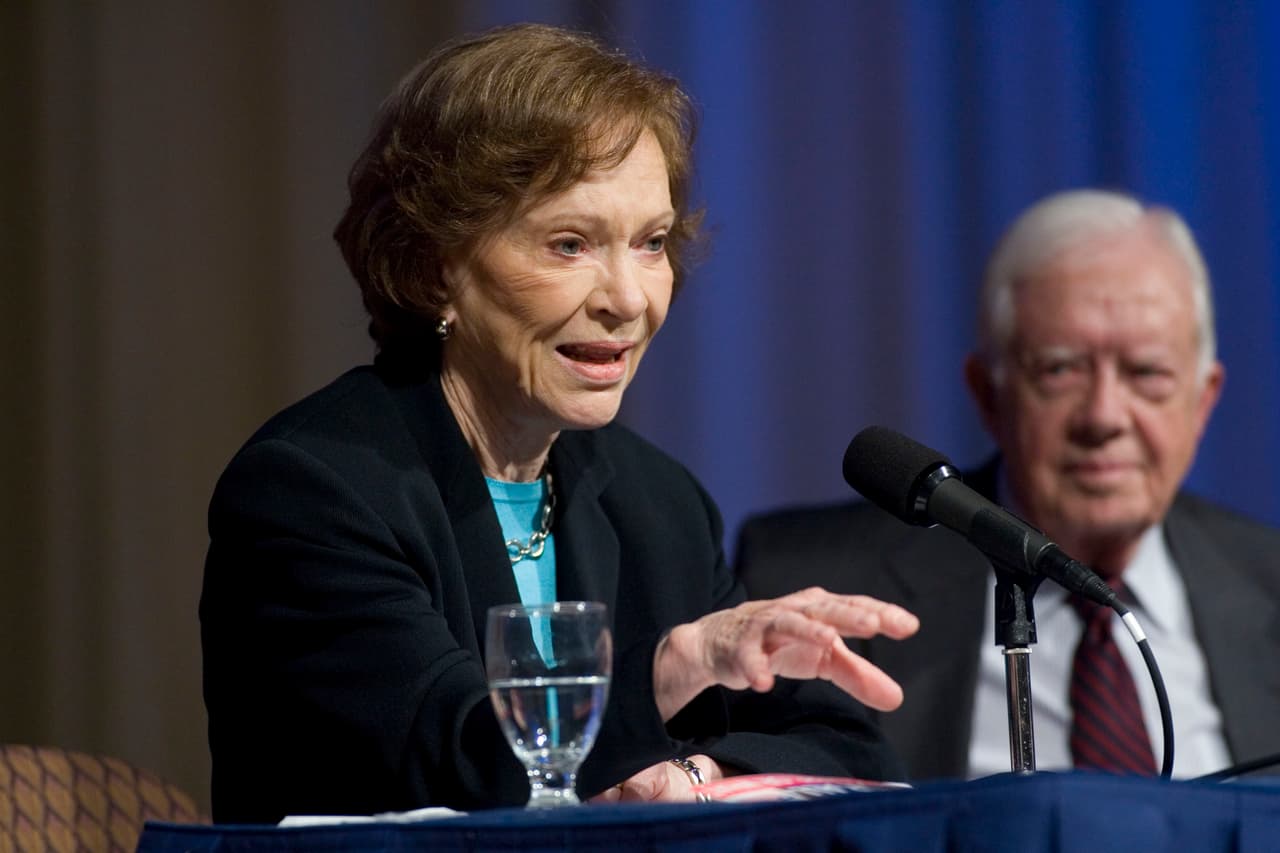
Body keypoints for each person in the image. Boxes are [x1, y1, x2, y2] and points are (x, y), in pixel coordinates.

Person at [200, 23, 919, 824]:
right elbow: (454, 761)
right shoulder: (316, 488)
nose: (629, 299)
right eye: (571, 244)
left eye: (650, 243)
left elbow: (849, 749)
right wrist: (677, 665)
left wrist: (698, 773)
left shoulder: (657, 502)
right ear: (435, 266)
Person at [737, 189, 1280, 781]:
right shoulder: (814, 583)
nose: (1103, 416)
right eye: (1060, 369)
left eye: (1147, 373)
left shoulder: (1268, 583)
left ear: (1203, 402)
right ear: (988, 395)